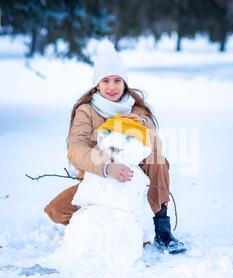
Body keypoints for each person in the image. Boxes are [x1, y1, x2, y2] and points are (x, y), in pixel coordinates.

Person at [44, 40, 186, 254]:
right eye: (106, 81)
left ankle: (161, 228)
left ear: (125, 83)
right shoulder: (86, 111)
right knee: (56, 210)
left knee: (158, 160)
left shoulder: (136, 110)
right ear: (97, 85)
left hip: (131, 177)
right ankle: (101, 229)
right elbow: (75, 148)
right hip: (99, 179)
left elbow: (156, 149)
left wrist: (142, 126)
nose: (112, 87)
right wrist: (107, 166)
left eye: (117, 80)